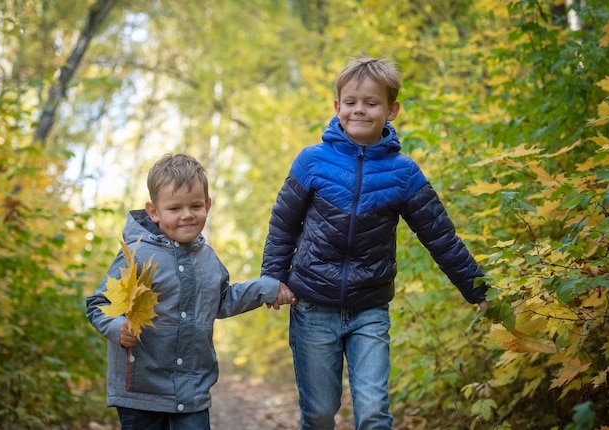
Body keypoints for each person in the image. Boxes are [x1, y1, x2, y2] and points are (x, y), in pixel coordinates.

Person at [261, 57, 489, 430]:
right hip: (313, 306)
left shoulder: (404, 173)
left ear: (391, 110)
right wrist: (272, 280)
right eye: (351, 102)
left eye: (371, 102)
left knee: (372, 413)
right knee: (319, 414)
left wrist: (477, 288)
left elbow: (440, 236)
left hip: (370, 309)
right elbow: (283, 225)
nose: (359, 110)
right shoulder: (311, 162)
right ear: (337, 108)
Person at [86, 153, 296, 430]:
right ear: (154, 211)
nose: (187, 215)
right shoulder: (136, 254)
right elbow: (98, 303)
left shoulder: (208, 258)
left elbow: (221, 301)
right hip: (140, 392)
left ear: (207, 205)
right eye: (174, 208)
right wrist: (117, 326)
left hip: (192, 389)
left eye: (195, 206)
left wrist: (265, 288)